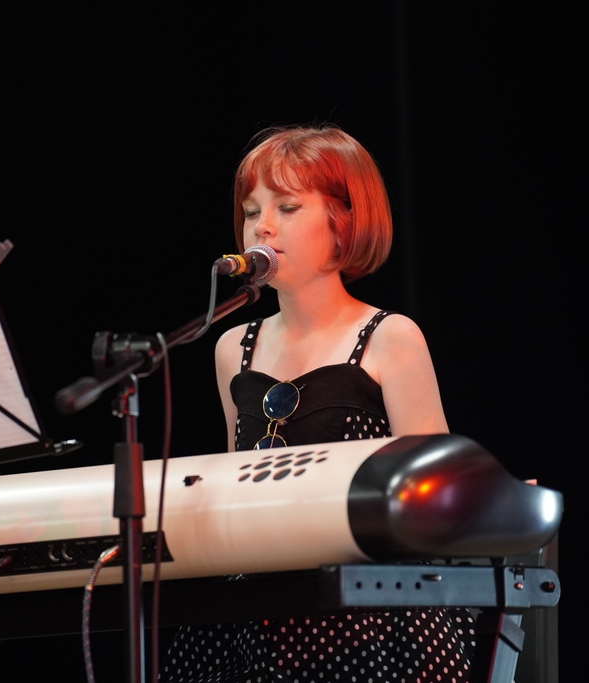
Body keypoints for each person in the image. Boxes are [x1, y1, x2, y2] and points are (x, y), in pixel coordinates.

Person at [161, 124, 475, 682]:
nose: (262, 225)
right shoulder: (234, 346)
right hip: (254, 602)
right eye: (252, 209)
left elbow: (436, 491)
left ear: (344, 223)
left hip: (367, 602)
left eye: (287, 207)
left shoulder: (389, 336)